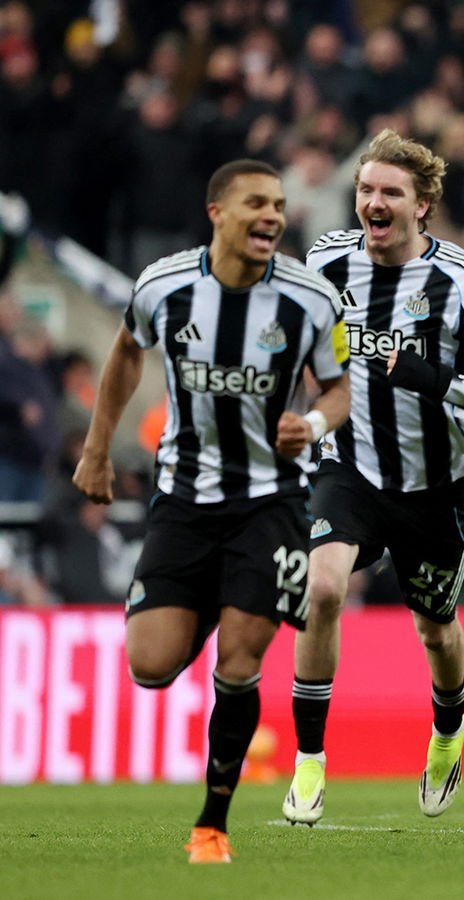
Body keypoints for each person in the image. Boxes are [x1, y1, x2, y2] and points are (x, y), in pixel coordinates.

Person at [73, 160, 351, 863]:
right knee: (151, 665)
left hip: (270, 502)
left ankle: (212, 823)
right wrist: (98, 449)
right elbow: (126, 353)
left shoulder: (311, 299)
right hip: (183, 499)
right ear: (216, 212)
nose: (273, 216)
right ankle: (207, 602)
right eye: (256, 203)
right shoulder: (163, 286)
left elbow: (341, 388)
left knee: (239, 663)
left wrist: (313, 425)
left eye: (280, 205)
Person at [283, 130, 464, 825]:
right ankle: (308, 763)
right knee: (322, 587)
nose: (374, 202)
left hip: (434, 484)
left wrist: (428, 377)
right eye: (366, 190)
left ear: (423, 206)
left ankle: (448, 731)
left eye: (391, 192)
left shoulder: (463, 280)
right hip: (349, 466)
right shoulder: (325, 262)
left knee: (436, 631)